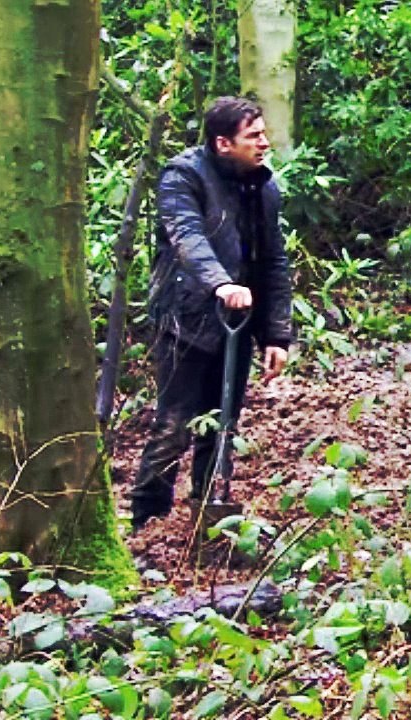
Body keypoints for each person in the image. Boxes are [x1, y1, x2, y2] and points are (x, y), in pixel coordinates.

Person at [129, 96, 294, 532]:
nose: (263, 143)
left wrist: (276, 335)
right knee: (173, 425)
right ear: (224, 143)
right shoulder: (182, 177)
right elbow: (187, 238)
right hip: (186, 319)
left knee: (222, 424)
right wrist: (220, 283)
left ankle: (208, 511)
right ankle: (148, 521)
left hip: (237, 326)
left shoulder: (262, 187)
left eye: (262, 134)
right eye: (253, 136)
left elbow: (273, 261)